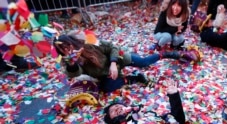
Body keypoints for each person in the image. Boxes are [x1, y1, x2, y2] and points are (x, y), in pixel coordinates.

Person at [53, 31, 198, 93]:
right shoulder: (69, 61)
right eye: (63, 49)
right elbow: (74, 73)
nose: (67, 49)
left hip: (118, 59)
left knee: (143, 62)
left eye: (67, 45)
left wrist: (114, 63)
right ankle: (134, 78)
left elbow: (112, 47)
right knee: (106, 88)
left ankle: (166, 54)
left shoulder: (89, 43)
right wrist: (72, 62)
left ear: (71, 41)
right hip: (106, 74)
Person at [51, 78, 186, 124]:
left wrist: (174, 95)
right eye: (113, 110)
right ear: (111, 121)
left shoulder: (150, 115)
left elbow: (178, 120)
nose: (117, 109)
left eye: (118, 106)